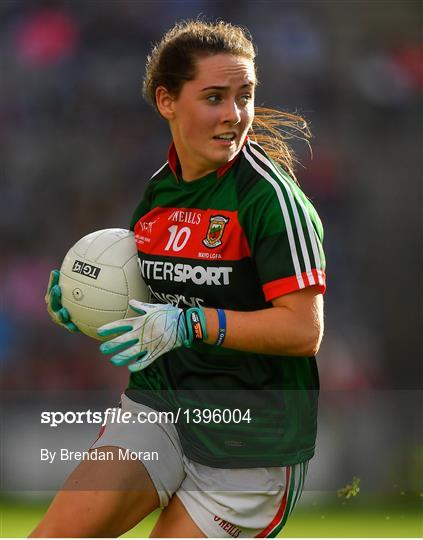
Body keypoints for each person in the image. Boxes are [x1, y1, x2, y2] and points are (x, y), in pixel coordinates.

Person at [32, 19, 326, 538]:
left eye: (245, 96)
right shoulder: (159, 193)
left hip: (249, 445)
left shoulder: (271, 203)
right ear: (167, 101)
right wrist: (84, 308)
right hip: (159, 408)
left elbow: (304, 332)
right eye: (214, 97)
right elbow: (147, 305)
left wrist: (194, 324)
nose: (235, 116)